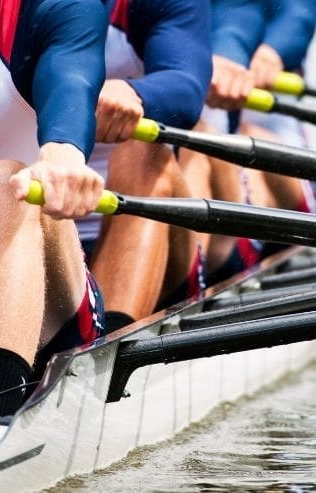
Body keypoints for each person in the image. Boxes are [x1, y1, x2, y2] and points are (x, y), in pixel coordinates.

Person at [0, 0, 107, 416]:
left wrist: (63, 155)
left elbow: (70, 79)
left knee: (6, 181)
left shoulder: (59, 8)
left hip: (48, 292)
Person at [78, 0, 212, 331]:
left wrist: (133, 92)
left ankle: (107, 346)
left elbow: (187, 88)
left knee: (143, 151)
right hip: (31, 219)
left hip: (132, 227)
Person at [180, 0, 316, 284]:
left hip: (283, 167)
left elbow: (298, 17)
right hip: (210, 159)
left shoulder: (242, 13)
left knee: (240, 137)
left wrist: (270, 55)